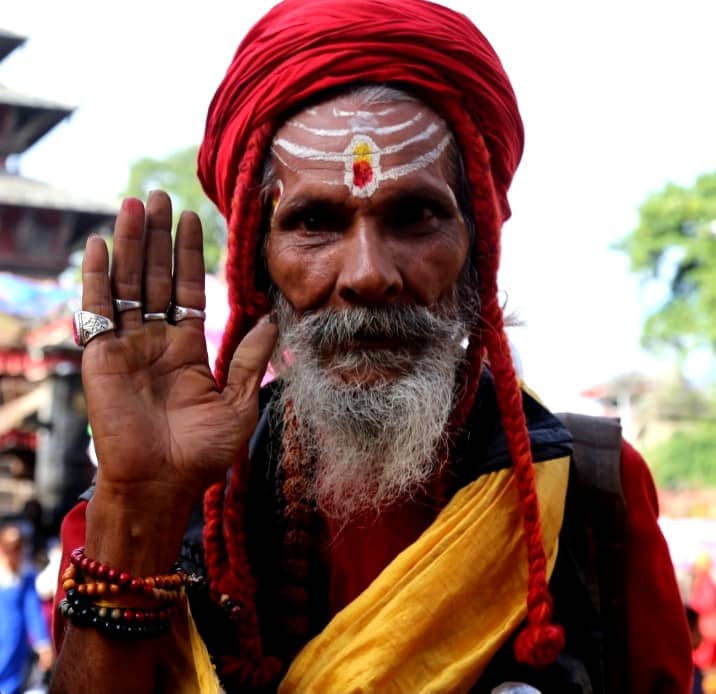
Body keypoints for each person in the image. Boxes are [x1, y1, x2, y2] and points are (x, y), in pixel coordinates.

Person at [49, 1, 693, 692]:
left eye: (415, 216)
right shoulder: (154, 500)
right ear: (259, 264)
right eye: (316, 222)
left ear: (478, 246)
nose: (368, 276)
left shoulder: (595, 494)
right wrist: (138, 512)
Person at [0, 523, 54, 694]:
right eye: (9, 547)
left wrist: (43, 643)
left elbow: (33, 611)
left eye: (16, 547)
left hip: (16, 640)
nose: (13, 552)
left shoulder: (27, 574)